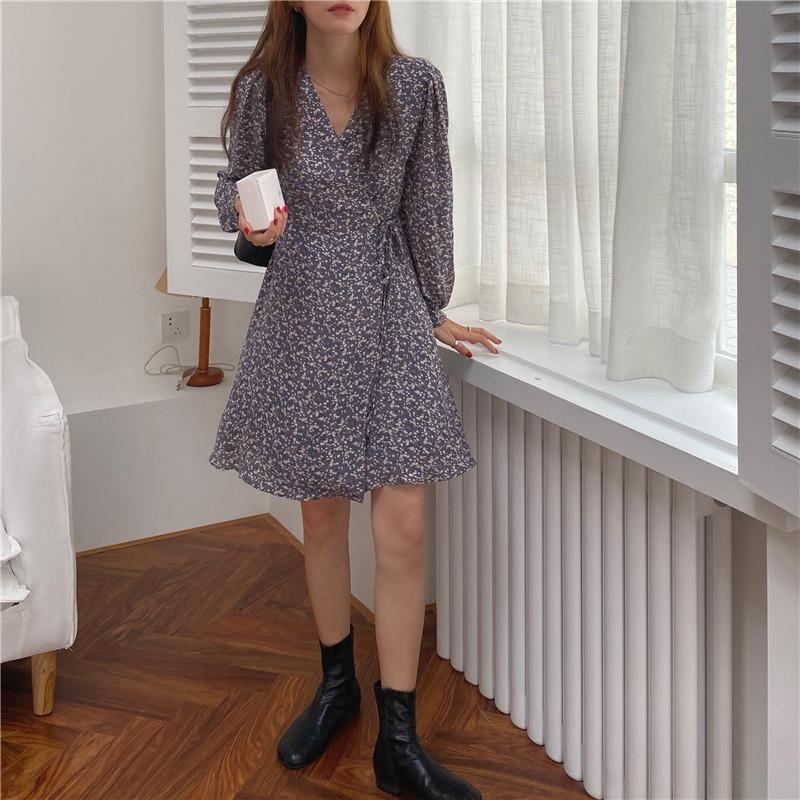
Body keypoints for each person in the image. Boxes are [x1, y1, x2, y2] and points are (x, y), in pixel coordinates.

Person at [210, 2, 501, 798]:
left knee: (403, 526)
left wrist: (434, 307)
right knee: (322, 516)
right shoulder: (264, 89)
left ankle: (398, 742)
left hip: (390, 305)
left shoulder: (416, 86)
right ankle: (336, 688)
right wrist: (250, 226)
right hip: (303, 311)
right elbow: (233, 189)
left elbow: (429, 204)